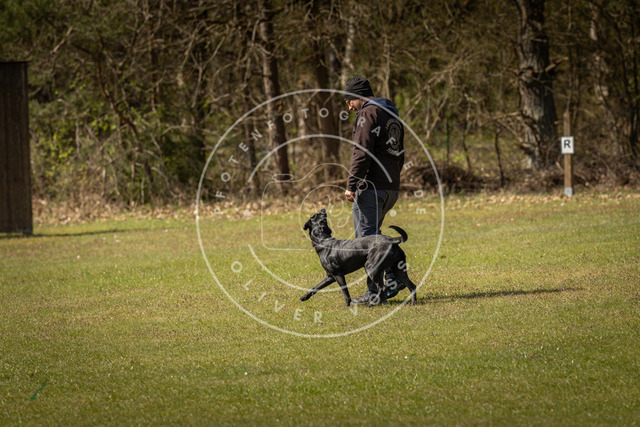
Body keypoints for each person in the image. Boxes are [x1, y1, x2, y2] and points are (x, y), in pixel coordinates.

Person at [343, 76, 405, 305]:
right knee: (378, 240)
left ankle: (375, 293)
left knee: (367, 244)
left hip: (371, 188)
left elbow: (361, 152)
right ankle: (394, 279)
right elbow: (400, 153)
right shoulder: (391, 113)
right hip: (390, 188)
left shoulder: (368, 114)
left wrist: (351, 185)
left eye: (349, 101)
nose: (349, 107)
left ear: (357, 97)